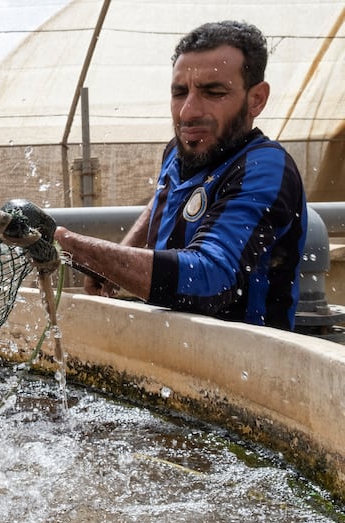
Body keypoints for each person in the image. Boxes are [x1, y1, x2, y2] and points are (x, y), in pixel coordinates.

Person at [54, 20, 307, 330]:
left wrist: (76, 247)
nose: (187, 112)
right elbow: (165, 198)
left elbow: (211, 278)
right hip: (175, 350)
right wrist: (123, 253)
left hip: (248, 366)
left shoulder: (264, 168)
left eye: (213, 92)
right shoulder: (180, 150)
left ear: (256, 99)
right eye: (179, 92)